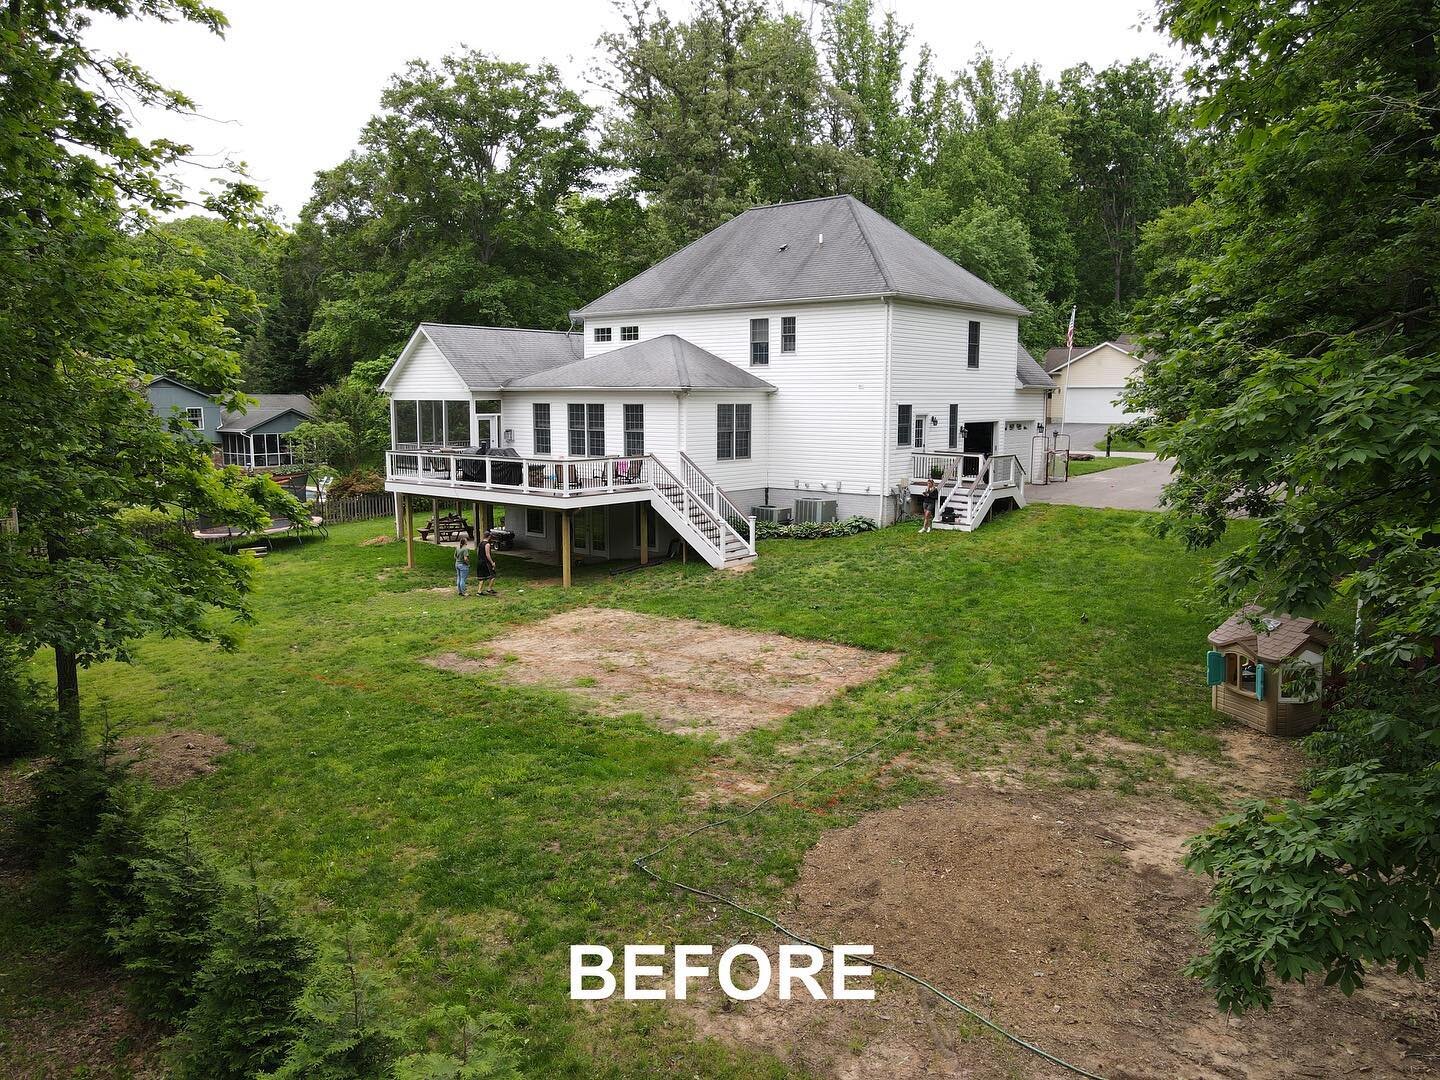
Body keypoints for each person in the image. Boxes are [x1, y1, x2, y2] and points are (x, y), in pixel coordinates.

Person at [476, 530, 498, 596]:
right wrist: (492, 563)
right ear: (489, 536)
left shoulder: (480, 543)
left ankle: (479, 591)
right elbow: (487, 555)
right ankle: (489, 589)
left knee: (481, 577)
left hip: (479, 562)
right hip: (485, 562)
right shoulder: (487, 544)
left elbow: (477, 553)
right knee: (493, 575)